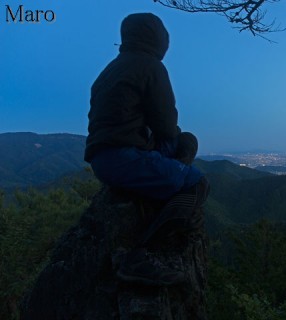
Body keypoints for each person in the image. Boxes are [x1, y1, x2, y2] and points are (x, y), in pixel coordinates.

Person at [84, 12, 209, 286]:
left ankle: (169, 182)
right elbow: (166, 125)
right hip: (123, 157)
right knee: (197, 183)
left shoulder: (110, 69)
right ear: (157, 38)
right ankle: (140, 255)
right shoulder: (150, 66)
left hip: (104, 158)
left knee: (184, 142)